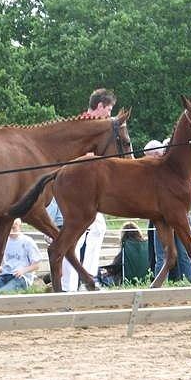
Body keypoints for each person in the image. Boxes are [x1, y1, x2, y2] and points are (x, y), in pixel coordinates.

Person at [61, 88, 116, 291]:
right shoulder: (86, 126)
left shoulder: (89, 126)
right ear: (100, 106)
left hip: (86, 188)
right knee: (76, 234)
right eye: (109, 109)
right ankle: (77, 282)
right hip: (78, 189)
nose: (110, 114)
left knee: (92, 230)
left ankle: (85, 279)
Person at [147, 139, 191, 283]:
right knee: (182, 252)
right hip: (177, 216)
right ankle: (190, 282)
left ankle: (159, 284)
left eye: (148, 155)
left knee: (163, 254)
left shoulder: (160, 168)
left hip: (164, 216)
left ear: (157, 153)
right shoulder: (178, 167)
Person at [0, 218, 42, 292]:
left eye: (13, 228)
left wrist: (23, 270)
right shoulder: (4, 241)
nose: (11, 231)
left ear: (19, 227)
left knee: (2, 292)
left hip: (22, 278)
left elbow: (37, 265)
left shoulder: (27, 241)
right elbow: (1, 261)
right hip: (5, 274)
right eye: (9, 228)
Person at [99, 221, 149, 286]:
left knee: (98, 274)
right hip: (145, 280)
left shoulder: (125, 248)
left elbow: (114, 268)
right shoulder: (146, 246)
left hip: (127, 281)